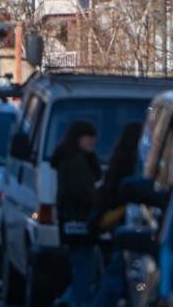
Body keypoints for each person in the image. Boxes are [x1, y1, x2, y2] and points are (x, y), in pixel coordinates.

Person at [89, 122, 143, 307]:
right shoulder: (137, 164)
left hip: (119, 224)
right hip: (130, 223)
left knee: (117, 275)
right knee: (119, 276)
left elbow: (107, 190)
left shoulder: (118, 161)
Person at [51, 120, 102, 307]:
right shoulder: (76, 161)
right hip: (80, 220)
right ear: (78, 138)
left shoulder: (70, 158)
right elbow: (83, 192)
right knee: (85, 268)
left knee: (83, 267)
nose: (92, 143)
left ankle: (67, 300)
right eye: (88, 138)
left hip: (71, 221)